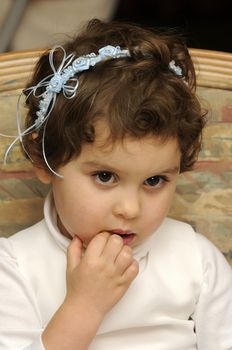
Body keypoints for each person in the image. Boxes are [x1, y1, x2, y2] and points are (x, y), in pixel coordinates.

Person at [0, 18, 231, 350]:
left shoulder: (195, 258)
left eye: (155, 180)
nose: (130, 209)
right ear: (44, 161)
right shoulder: (14, 268)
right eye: (105, 176)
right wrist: (85, 306)